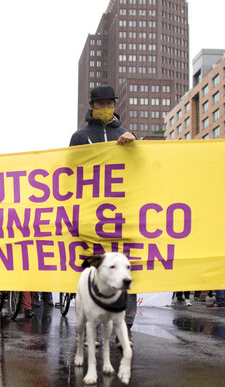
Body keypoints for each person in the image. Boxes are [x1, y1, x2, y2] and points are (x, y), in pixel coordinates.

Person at [69, 85, 137, 344]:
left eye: (110, 103)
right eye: (102, 104)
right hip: (91, 216)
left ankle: (124, 329)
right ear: (92, 105)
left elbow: (139, 170)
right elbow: (72, 172)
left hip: (122, 215)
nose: (106, 108)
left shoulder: (126, 134)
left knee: (124, 272)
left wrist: (133, 143)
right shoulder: (79, 137)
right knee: (93, 272)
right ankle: (91, 328)